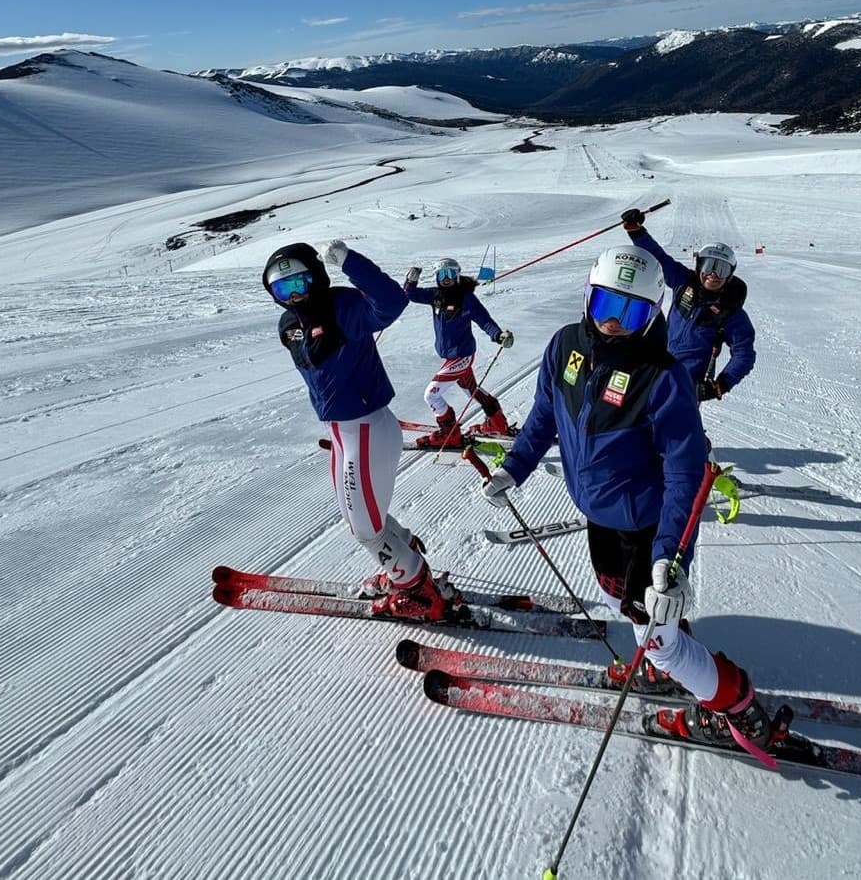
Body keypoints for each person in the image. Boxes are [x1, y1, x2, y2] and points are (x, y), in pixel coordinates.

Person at [479, 245, 775, 751]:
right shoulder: (564, 346)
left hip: (650, 523)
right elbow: (544, 416)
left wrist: (670, 559)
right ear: (588, 297)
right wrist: (514, 468)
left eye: (631, 311)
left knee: (656, 634)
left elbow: (685, 472)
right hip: (599, 510)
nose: (614, 323)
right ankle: (663, 643)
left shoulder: (664, 377)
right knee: (621, 598)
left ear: (653, 310)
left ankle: (740, 708)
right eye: (605, 306)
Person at [263, 240, 456, 620]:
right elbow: (313, 356)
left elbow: (391, 303)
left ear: (317, 277)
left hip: (366, 429)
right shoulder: (289, 325)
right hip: (341, 432)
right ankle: (404, 565)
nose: (295, 295)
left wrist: (351, 262)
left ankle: (417, 591)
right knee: (360, 520)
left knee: (366, 529)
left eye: (301, 283)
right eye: (284, 289)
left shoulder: (344, 306)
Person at [620, 209, 755, 402]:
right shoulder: (683, 282)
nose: (714, 274)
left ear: (730, 275)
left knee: (670, 426)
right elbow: (659, 257)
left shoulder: (731, 311)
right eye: (709, 266)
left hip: (686, 381)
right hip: (656, 365)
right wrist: (636, 231)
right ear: (699, 265)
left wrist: (721, 384)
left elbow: (744, 353)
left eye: (722, 269)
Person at [403, 256, 515, 448]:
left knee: (431, 395)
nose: (446, 278)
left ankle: (450, 433)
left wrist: (498, 335)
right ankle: (498, 424)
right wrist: (410, 280)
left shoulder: (467, 298)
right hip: (451, 357)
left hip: (462, 356)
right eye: (442, 274)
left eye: (450, 274)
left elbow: (484, 320)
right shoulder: (435, 296)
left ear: (457, 275)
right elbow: (410, 294)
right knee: (472, 391)